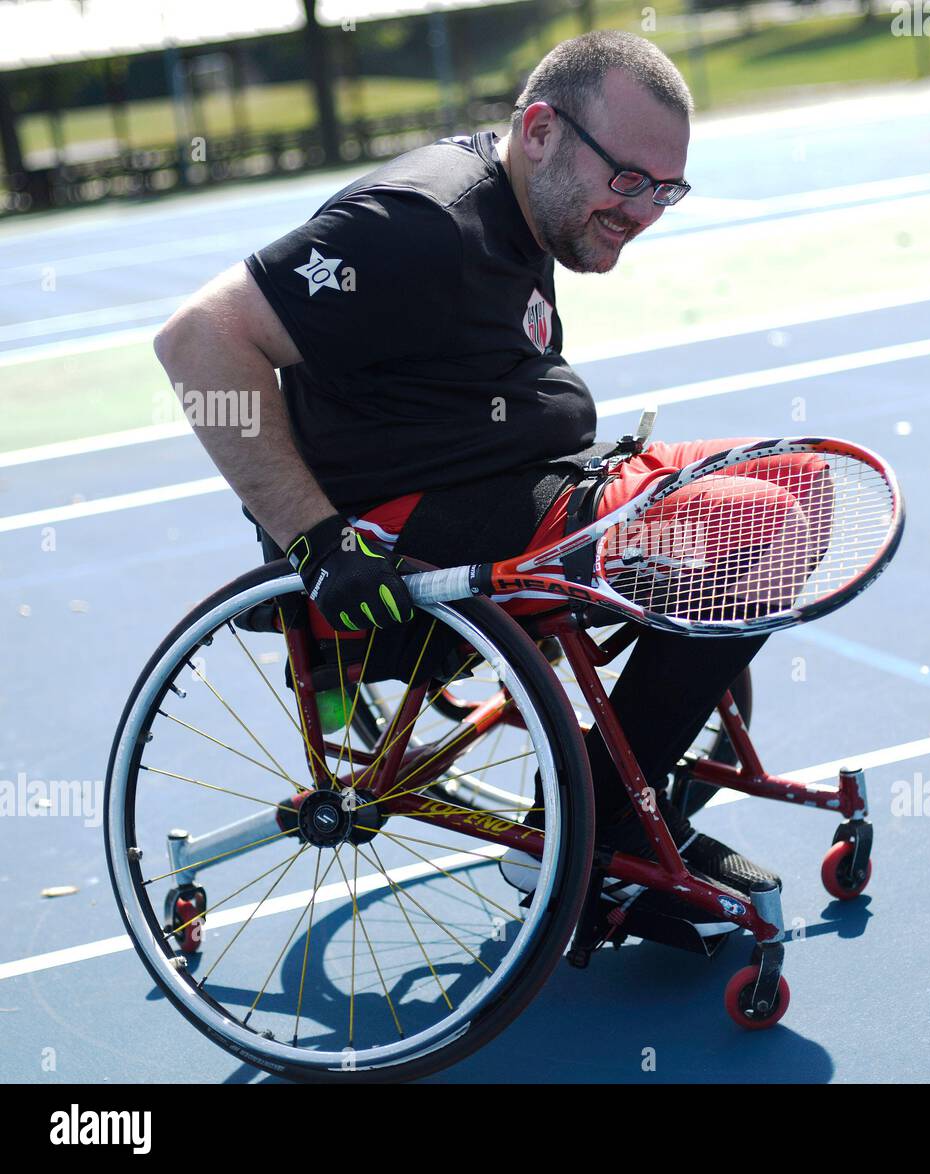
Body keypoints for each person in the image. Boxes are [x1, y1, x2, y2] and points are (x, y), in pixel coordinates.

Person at [153, 30, 781, 914]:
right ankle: (593, 832)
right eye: (628, 179)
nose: (644, 211)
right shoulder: (416, 227)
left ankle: (604, 793)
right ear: (539, 131)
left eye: (665, 189)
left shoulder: (523, 209)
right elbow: (196, 341)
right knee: (754, 527)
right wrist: (319, 541)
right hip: (407, 529)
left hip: (521, 482)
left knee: (793, 485)